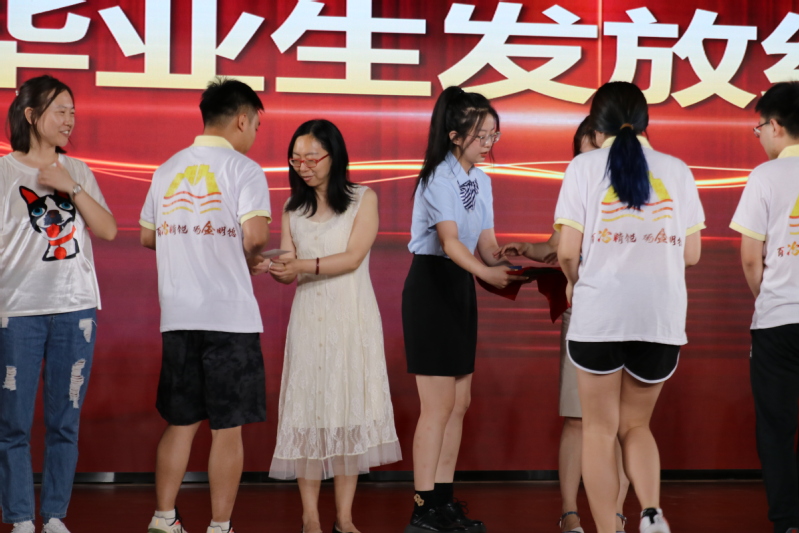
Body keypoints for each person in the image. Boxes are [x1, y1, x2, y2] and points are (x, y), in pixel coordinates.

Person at [554, 81, 705, 533]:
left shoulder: (583, 167)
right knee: (637, 427)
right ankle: (652, 511)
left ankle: (608, 529)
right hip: (659, 318)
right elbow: (692, 253)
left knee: (599, 430)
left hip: (600, 316)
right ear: (644, 122)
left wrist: (575, 282)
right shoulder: (677, 170)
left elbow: (567, 251)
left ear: (596, 128)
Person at [139, 78, 272, 533]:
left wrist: (191, 248)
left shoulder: (167, 169)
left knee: (180, 423)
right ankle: (219, 526)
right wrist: (248, 257)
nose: (254, 134)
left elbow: (148, 236)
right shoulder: (244, 169)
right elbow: (255, 236)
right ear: (242, 119)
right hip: (229, 317)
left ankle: (163, 518)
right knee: (227, 428)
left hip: (178, 316)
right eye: (256, 125)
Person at [263, 119, 401, 533]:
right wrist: (274, 268)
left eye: (311, 157)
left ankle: (344, 518)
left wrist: (299, 266)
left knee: (345, 411)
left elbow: (353, 257)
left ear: (333, 156)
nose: (303, 166)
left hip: (351, 318)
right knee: (307, 413)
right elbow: (289, 265)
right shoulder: (292, 208)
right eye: (296, 159)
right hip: (308, 320)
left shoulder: (362, 199)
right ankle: (310, 518)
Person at [496, 117, 630, 533]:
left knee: (621, 423)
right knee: (577, 418)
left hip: (628, 315)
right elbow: (558, 249)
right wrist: (528, 248)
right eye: (582, 154)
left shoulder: (637, 189)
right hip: (584, 313)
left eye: (594, 152)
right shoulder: (576, 185)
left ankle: (616, 514)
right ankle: (570, 512)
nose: (587, 162)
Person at [402, 86, 526, 533]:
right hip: (432, 286)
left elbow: (485, 245)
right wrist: (486, 273)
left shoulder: (482, 180)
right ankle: (422, 509)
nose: (489, 142)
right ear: (454, 135)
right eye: (481, 135)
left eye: (494, 134)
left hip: (459, 286)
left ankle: (444, 501)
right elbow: (451, 243)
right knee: (436, 406)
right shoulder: (438, 177)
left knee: (459, 403)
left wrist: (513, 263)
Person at [0, 75, 117, 533]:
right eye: (60, 111)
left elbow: (107, 230)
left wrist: (71, 187)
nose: (69, 120)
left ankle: (53, 516)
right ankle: (20, 517)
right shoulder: (5, 173)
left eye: (73, 111)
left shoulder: (78, 170)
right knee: (12, 423)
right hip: (17, 312)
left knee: (65, 421)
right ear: (31, 115)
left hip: (75, 309)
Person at [730, 81, 799, 533]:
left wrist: (768, 296)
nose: (759, 136)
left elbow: (751, 258)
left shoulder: (765, 176)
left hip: (778, 321)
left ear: (775, 126)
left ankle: (788, 522)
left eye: (758, 128)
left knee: (776, 426)